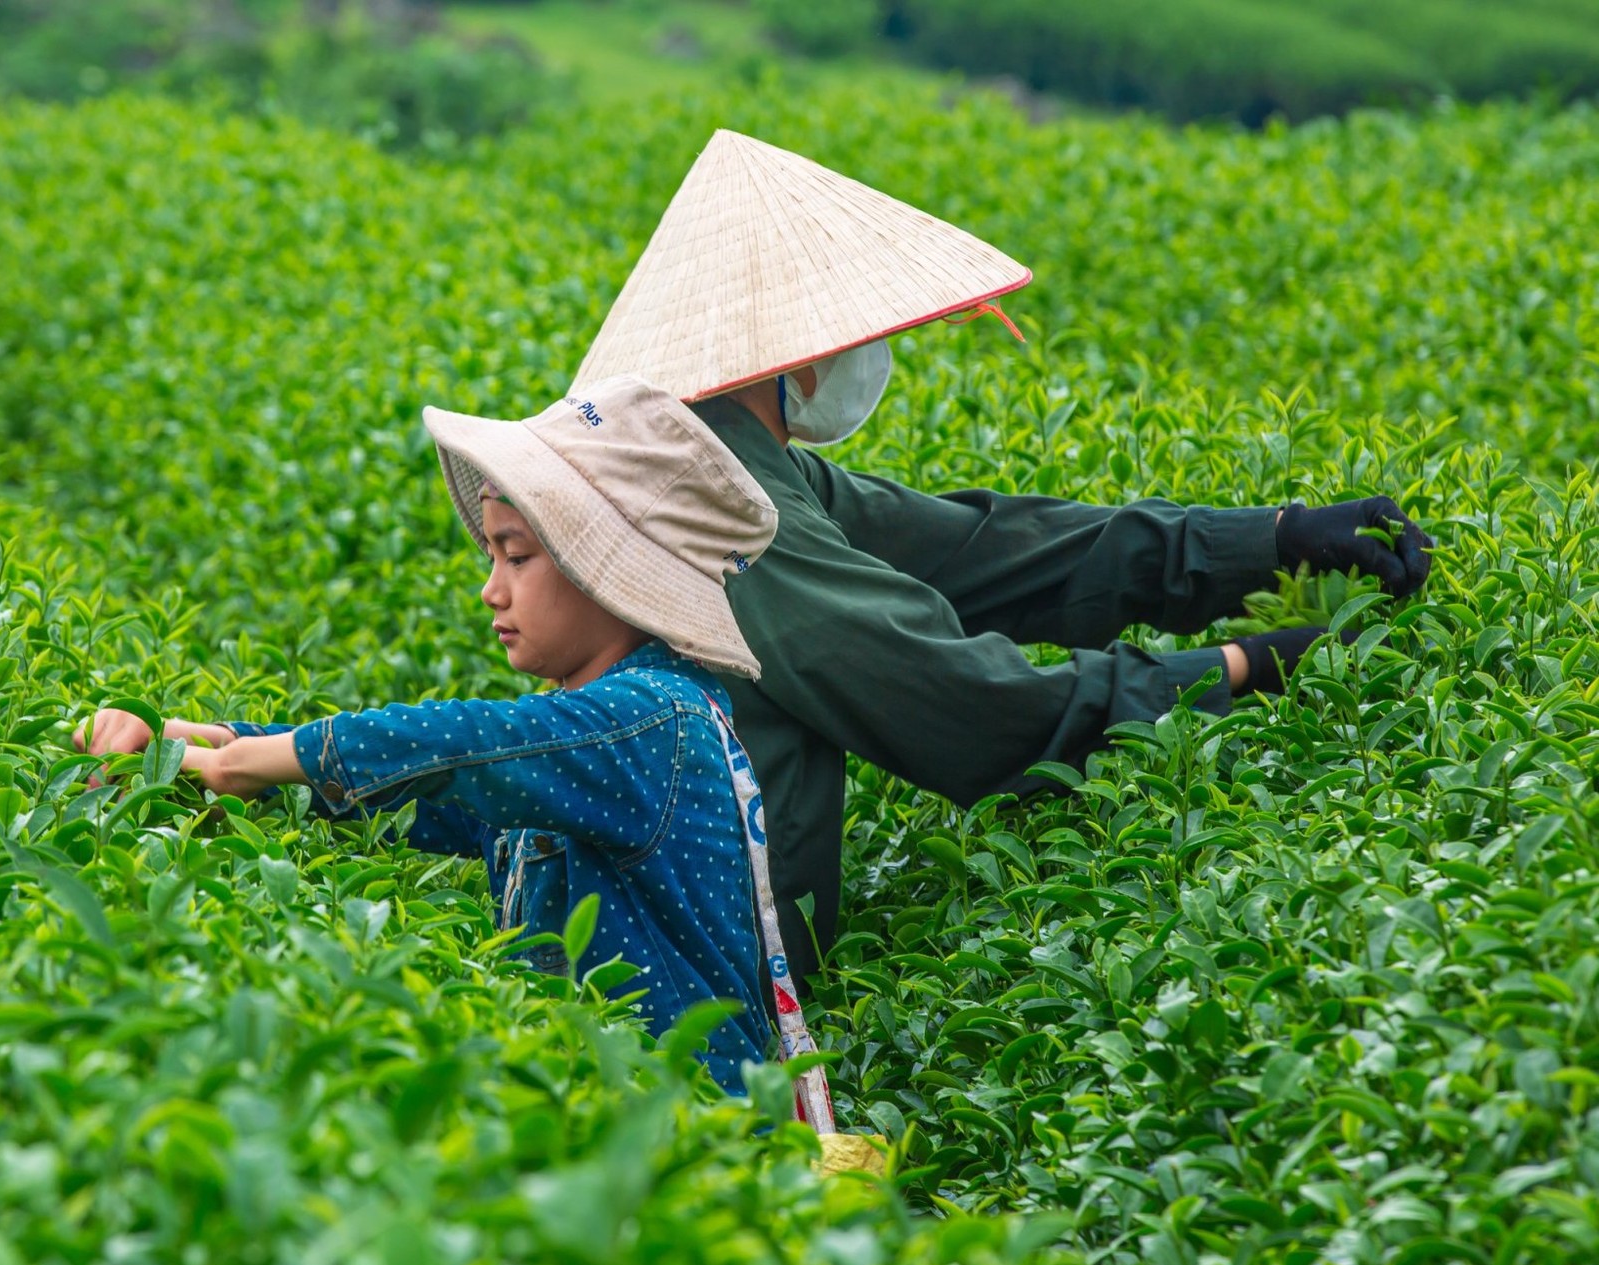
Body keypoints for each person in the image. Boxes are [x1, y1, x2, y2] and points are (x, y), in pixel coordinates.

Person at [573, 130, 1436, 981]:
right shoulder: (717, 505)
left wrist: (1274, 538)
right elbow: (965, 708)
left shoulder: (747, 469)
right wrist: (1242, 668)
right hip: (698, 983)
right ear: (795, 350)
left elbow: (991, 551)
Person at [74, 375, 789, 1094]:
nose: (491, 588)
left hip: (692, 1129)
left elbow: (458, 744)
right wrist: (195, 739)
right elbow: (407, 789)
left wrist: (235, 764)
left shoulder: (654, 720)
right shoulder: (587, 732)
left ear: (606, 572)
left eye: (517, 556)